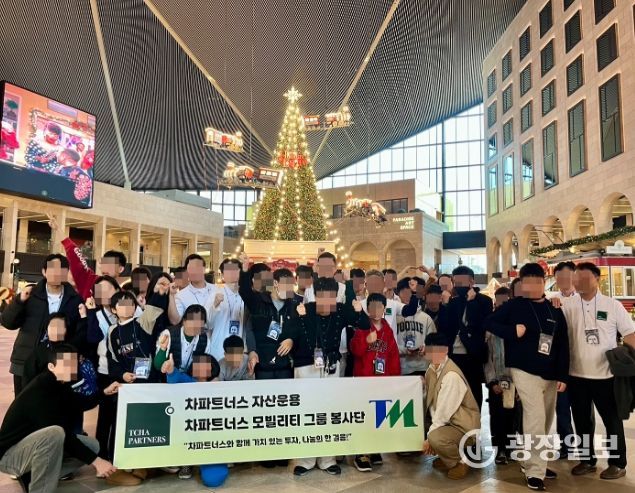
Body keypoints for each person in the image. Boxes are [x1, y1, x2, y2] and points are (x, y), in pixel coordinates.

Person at [486, 263, 569, 491]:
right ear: (521, 284)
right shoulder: (514, 306)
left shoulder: (554, 308)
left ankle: (534, 461)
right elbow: (489, 323)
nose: (532, 286)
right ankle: (535, 471)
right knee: (535, 418)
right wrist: (512, 332)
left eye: (537, 281)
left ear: (544, 282)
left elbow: (563, 344)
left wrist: (563, 375)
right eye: (527, 282)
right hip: (523, 370)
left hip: (550, 373)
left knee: (545, 420)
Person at [0, 346, 117, 493]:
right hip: (10, 455)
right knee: (55, 433)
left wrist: (104, 392)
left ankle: (32, 476)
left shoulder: (60, 383)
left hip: (32, 446)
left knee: (92, 445)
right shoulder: (40, 390)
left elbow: (79, 403)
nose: (72, 370)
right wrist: (97, 462)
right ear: (51, 366)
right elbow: (62, 434)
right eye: (66, 366)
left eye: (74, 365)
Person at [288, 277, 367, 477]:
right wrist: (299, 320)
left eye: (331, 297)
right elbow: (290, 333)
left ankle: (327, 459)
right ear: (315, 296)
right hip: (306, 366)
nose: (326, 302)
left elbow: (364, 325)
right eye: (322, 297)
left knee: (329, 410)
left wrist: (359, 310)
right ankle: (305, 460)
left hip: (331, 365)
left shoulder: (340, 310)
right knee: (306, 411)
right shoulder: (304, 309)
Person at [563, 262, 635, 480]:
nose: (579, 282)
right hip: (576, 375)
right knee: (582, 421)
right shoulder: (567, 305)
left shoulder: (612, 305)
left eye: (585, 278)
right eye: (577, 279)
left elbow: (630, 334)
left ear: (597, 279)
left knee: (612, 421)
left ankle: (617, 463)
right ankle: (587, 460)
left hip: (606, 376)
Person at [238, 262, 296, 468]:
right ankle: (266, 452)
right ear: (276, 284)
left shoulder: (294, 305)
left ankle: (282, 452)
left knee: (283, 408)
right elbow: (244, 291)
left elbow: (299, 329)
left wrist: (291, 339)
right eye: (286, 284)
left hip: (284, 365)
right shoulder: (258, 301)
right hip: (263, 362)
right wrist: (245, 269)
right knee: (265, 408)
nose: (290, 288)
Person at [1, 254, 83, 396]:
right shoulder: (30, 294)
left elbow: (78, 331)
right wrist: (19, 301)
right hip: (26, 358)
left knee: (55, 404)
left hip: (59, 363)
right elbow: (8, 323)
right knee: (23, 403)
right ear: (44, 272)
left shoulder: (75, 300)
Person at [350, 293, 400, 472]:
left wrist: (395, 381)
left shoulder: (388, 330)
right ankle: (361, 453)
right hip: (364, 382)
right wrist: (366, 340)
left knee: (378, 417)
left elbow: (393, 357)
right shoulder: (362, 327)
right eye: (372, 307)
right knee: (364, 417)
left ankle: (374, 449)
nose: (376, 310)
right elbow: (355, 351)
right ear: (367, 309)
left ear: (384, 309)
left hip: (382, 382)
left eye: (380, 307)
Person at [161, 352, 227, 487]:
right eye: (198, 364)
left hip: (211, 438)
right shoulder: (187, 380)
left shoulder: (218, 384)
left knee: (213, 478)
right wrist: (171, 370)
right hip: (188, 433)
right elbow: (175, 379)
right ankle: (186, 462)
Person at [422, 333, 480, 480]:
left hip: (463, 427)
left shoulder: (451, 375)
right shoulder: (430, 371)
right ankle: (446, 458)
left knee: (435, 437)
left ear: (446, 350)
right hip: (448, 423)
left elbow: (443, 413)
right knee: (428, 431)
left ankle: (461, 462)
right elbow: (431, 404)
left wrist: (429, 439)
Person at [437, 266, 492, 410]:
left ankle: (475, 421)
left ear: (471, 281)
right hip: (454, 354)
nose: (458, 286)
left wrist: (471, 302)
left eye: (461, 282)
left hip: (473, 354)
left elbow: (478, 324)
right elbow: (444, 327)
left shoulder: (484, 301)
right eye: (456, 282)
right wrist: (445, 305)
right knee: (454, 392)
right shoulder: (454, 302)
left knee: (473, 391)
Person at [485, 286, 521, 465]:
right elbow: (487, 359)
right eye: (498, 305)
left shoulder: (518, 330)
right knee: (497, 416)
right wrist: (492, 382)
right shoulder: (490, 331)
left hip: (516, 382)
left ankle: (511, 448)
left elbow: (523, 359)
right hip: (497, 382)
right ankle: (500, 449)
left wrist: (520, 384)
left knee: (514, 416)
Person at [547, 261, 577, 459]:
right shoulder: (551, 300)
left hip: (583, 364)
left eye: (567, 276)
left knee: (584, 410)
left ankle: (587, 450)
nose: (563, 280)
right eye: (559, 277)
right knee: (562, 408)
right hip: (560, 364)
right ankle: (566, 446)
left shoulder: (584, 298)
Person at [204, 258, 256, 363]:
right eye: (228, 270)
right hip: (219, 351)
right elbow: (207, 324)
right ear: (222, 275)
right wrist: (215, 305)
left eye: (235, 269)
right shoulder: (215, 293)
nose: (232, 273)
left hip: (241, 351)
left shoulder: (247, 295)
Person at [359, 270, 418, 340]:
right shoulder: (359, 306)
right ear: (366, 285)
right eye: (371, 283)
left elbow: (410, 310)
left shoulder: (393, 304)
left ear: (384, 284)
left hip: (390, 346)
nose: (375, 286)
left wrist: (414, 292)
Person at [395, 278, 436, 376]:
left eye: (410, 293)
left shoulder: (426, 318)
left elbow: (433, 341)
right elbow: (389, 343)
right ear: (398, 294)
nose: (407, 296)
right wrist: (404, 349)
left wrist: (425, 348)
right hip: (401, 367)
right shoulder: (394, 317)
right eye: (404, 292)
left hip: (422, 366)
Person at [170, 254, 215, 324]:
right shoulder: (180, 295)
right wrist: (171, 295)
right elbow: (175, 321)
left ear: (204, 269)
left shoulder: (217, 290)